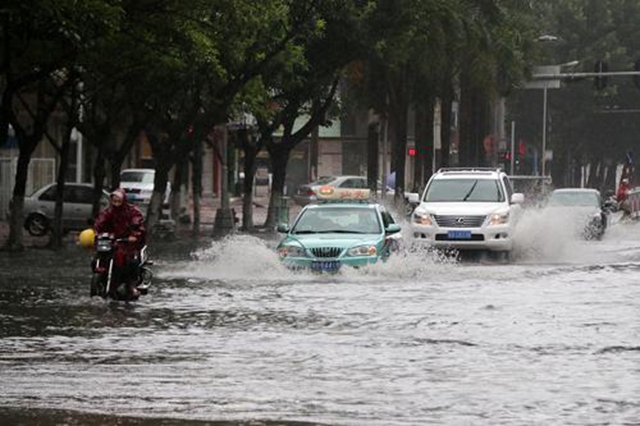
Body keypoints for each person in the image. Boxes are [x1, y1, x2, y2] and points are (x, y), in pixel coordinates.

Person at [94, 188, 146, 297]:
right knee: (97, 258)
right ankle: (103, 280)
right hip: (112, 242)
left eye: (119, 201)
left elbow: (137, 222)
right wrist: (96, 230)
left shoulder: (132, 211)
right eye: (114, 201)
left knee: (131, 262)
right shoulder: (109, 211)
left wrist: (134, 234)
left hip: (128, 243)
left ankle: (131, 286)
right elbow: (101, 220)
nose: (116, 204)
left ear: (123, 200)